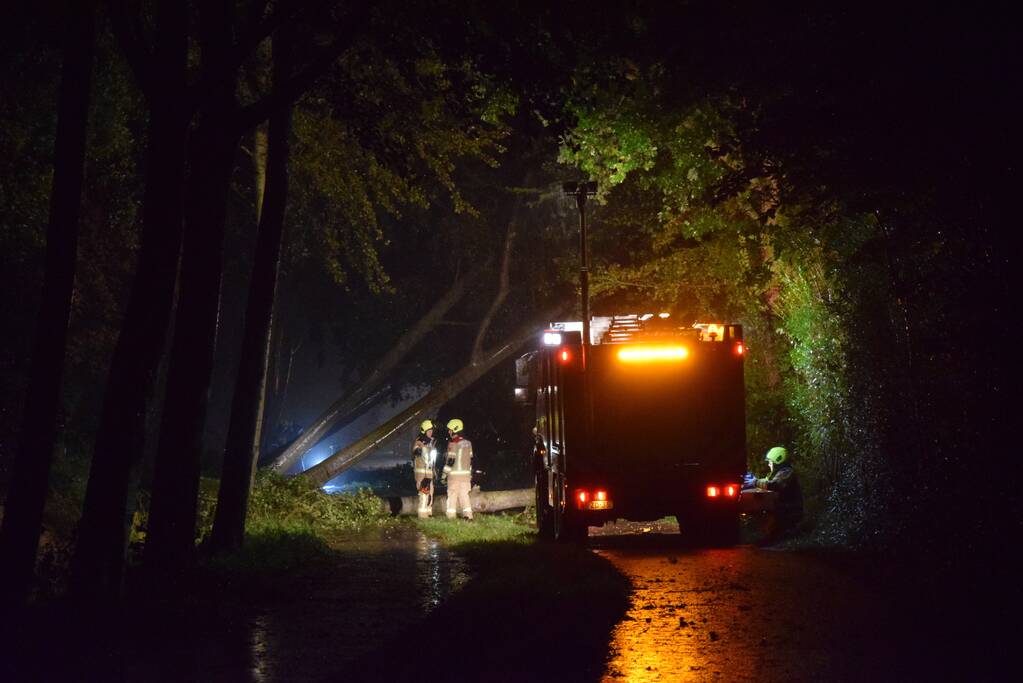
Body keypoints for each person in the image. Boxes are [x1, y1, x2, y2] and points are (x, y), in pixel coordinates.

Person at [745, 446, 803, 541]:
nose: (769, 464)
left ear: (777, 461)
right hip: (785, 507)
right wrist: (753, 480)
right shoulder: (780, 472)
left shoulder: (787, 472)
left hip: (790, 509)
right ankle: (772, 534)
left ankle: (777, 535)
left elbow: (774, 484)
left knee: (765, 509)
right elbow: (768, 481)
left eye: (770, 462)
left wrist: (754, 482)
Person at [441, 418, 473, 520]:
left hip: (454, 477)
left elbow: (450, 461)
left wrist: (444, 475)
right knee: (464, 497)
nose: (449, 432)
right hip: (466, 477)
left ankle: (451, 518)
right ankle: (468, 517)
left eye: (450, 429)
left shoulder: (453, 443)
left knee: (452, 497)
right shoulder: (468, 443)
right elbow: (471, 460)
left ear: (455, 429)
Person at [412, 420, 438, 518]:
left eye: (431, 430)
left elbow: (432, 460)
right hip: (421, 473)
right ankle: (422, 514)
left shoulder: (431, 443)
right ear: (424, 431)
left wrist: (434, 471)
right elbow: (416, 451)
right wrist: (421, 448)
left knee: (430, 492)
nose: (431, 432)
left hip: (429, 472)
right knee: (423, 492)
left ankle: (429, 512)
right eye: (429, 431)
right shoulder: (419, 442)